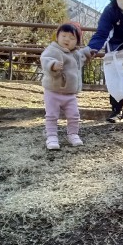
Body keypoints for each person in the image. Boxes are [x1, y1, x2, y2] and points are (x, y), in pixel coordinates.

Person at [40, 22, 91, 150]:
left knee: (74, 115)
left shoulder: (76, 54)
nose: (67, 39)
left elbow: (82, 57)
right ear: (57, 37)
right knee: (51, 115)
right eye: (63, 36)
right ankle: (51, 136)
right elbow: (45, 59)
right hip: (53, 91)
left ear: (77, 42)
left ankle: (73, 134)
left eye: (72, 38)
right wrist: (53, 65)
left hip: (70, 93)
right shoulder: (53, 49)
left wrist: (89, 52)